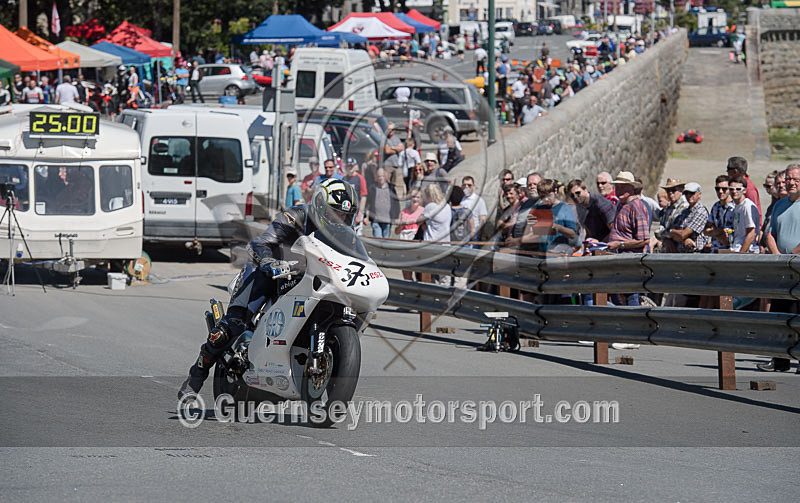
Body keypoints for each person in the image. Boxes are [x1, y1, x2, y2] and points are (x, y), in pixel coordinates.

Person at [178, 178, 360, 398]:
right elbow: (261, 242)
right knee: (230, 328)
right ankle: (196, 375)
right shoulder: (297, 216)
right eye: (335, 213)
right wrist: (268, 262)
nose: (340, 219)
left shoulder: (346, 236)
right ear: (320, 207)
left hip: (311, 281)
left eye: (345, 215)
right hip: (271, 272)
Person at [668, 183, 709, 253]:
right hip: (682, 252)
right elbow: (671, 231)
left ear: (699, 194)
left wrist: (672, 232)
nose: (688, 196)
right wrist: (673, 233)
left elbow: (683, 234)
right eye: (686, 193)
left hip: (696, 253)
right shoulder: (684, 211)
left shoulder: (701, 211)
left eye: (692, 193)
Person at [655, 179, 688, 252]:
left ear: (681, 190)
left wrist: (666, 235)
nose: (670, 193)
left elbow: (679, 231)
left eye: (673, 190)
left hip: (682, 249)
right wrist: (666, 238)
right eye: (668, 191)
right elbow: (662, 228)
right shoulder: (669, 208)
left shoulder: (685, 207)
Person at [728, 176, 760, 253]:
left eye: (738, 189)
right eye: (731, 189)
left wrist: (742, 254)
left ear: (744, 191)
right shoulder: (737, 206)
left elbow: (751, 234)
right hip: (736, 248)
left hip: (748, 251)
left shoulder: (747, 206)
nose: (734, 191)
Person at [704, 175, 735, 252]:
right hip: (714, 249)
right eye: (717, 189)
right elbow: (706, 230)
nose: (720, 191)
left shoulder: (736, 207)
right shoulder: (716, 206)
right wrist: (719, 233)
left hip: (730, 250)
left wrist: (714, 232)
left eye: (724, 189)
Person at [365, 168, 399, 238]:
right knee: (378, 238)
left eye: (382, 176)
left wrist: (396, 216)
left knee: (386, 240)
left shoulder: (391, 188)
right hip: (376, 219)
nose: (380, 178)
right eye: (379, 176)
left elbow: (396, 203)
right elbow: (367, 203)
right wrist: (365, 216)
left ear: (386, 177)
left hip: (387, 219)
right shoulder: (372, 188)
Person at [726, 156, 761, 220]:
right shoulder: (736, 185)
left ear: (735, 171)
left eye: (728, 171)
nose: (727, 174)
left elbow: (754, 212)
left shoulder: (749, 188)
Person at [461, 176, 488, 245]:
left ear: (473, 186)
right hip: (461, 235)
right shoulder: (460, 199)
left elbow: (482, 220)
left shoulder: (479, 201)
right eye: (464, 185)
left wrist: (479, 236)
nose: (466, 187)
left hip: (474, 236)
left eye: (469, 185)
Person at [343, 157, 367, 230]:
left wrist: (360, 213)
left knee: (357, 232)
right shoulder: (344, 179)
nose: (350, 168)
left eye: (351, 166)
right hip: (346, 210)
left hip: (357, 210)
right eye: (348, 166)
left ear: (355, 166)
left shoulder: (360, 178)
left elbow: (363, 197)